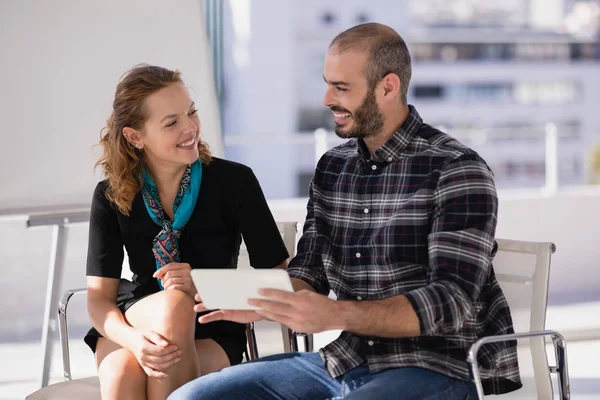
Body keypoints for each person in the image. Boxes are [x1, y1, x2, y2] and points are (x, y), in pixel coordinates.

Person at [169, 22, 522, 400]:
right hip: (348, 360)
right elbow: (309, 273)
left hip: (442, 366)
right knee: (191, 398)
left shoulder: (455, 169)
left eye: (341, 88)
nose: (326, 99)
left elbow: (450, 302)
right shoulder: (333, 168)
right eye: (327, 83)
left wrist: (337, 315)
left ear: (388, 87)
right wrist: (255, 300)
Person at [85, 64, 289, 400]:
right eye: (171, 122)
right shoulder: (110, 195)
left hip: (214, 325)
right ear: (135, 137)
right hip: (137, 319)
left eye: (191, 113)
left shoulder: (235, 182)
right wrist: (135, 340)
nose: (190, 127)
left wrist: (203, 285)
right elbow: (99, 300)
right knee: (128, 359)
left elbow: (279, 280)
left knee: (173, 310)